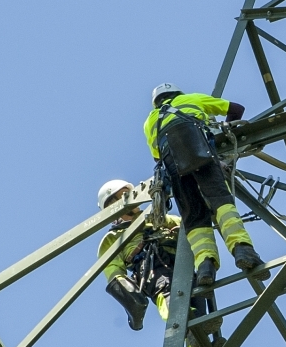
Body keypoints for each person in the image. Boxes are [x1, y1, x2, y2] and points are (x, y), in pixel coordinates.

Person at [144, 85, 268, 284]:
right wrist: (227, 130)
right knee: (221, 201)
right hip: (200, 154)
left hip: (174, 166)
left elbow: (156, 155)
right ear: (177, 93)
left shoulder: (150, 121)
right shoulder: (193, 99)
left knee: (194, 217)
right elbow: (236, 109)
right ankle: (242, 249)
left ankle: (205, 267)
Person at [96, 179, 179, 330]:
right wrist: (132, 298)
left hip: (180, 260)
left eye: (128, 195)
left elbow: (186, 225)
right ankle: (181, 326)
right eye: (123, 196)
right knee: (169, 297)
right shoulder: (113, 238)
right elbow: (114, 272)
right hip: (151, 267)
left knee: (197, 301)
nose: (130, 199)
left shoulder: (154, 217)